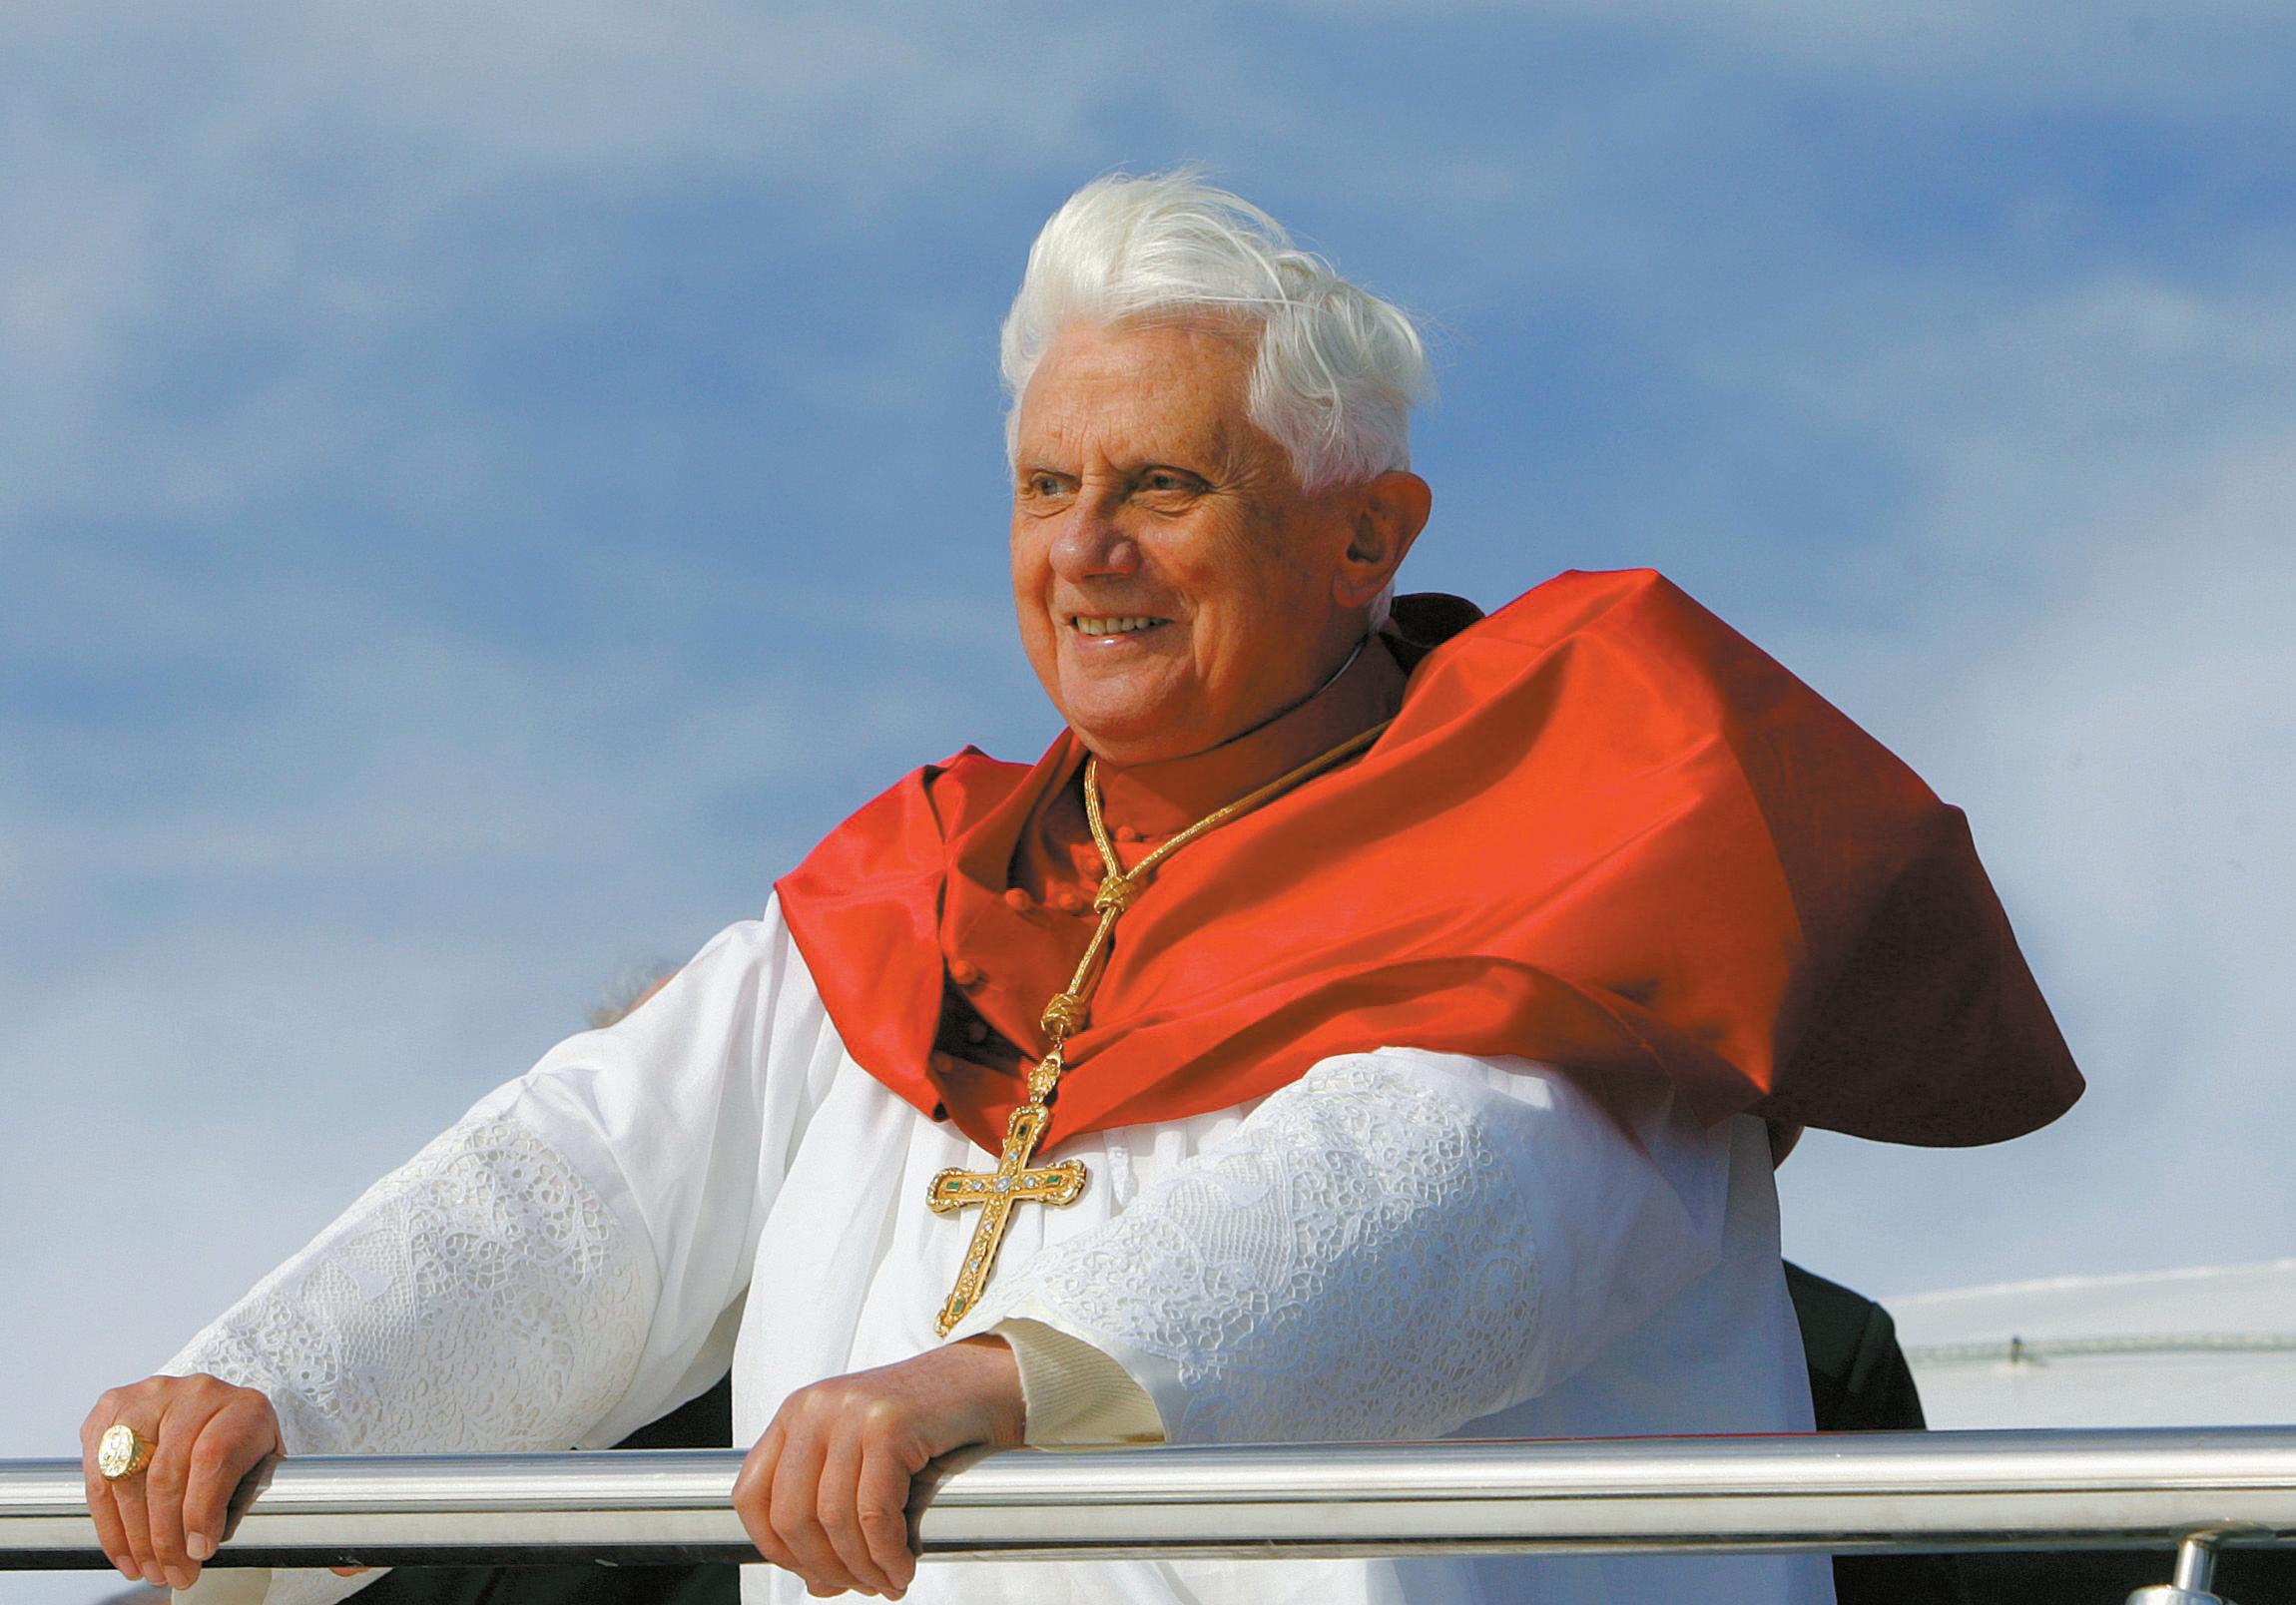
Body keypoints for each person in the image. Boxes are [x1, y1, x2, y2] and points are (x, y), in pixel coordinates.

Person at [80, 171, 2082, 1605]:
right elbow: (586, 1186)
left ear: (1364, 536)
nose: (1088, 552)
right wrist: (279, 1389)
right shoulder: (924, 885)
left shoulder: (1581, 846)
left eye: (1164, 488)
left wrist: (997, 1380)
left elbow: (1454, 1204)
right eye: (1048, 489)